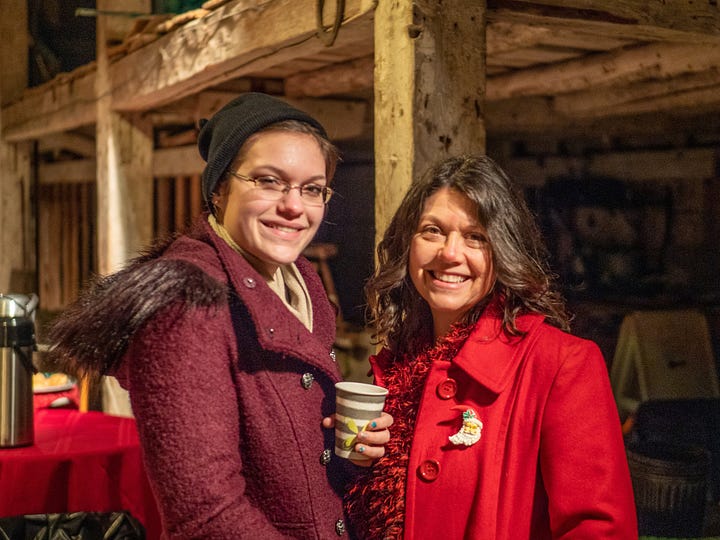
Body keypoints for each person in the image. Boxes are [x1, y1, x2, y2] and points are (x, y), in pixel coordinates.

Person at [47, 92, 391, 539]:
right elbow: (208, 518)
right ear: (218, 189)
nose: (294, 206)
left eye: (312, 189)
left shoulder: (299, 282)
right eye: (268, 181)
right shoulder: (186, 307)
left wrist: (352, 455)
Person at [343, 155, 637, 539]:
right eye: (432, 230)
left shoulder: (561, 363)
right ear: (407, 244)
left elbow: (600, 530)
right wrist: (355, 466)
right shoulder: (399, 365)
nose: (449, 253)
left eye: (475, 237)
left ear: (503, 249)